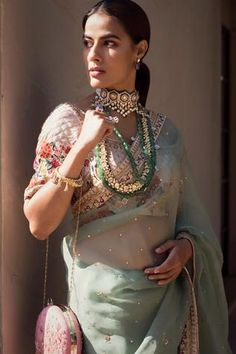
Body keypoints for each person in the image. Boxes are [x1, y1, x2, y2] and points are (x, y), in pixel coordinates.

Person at [23, 0, 232, 353]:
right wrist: (82, 147)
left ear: (140, 50)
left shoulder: (166, 134)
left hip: (166, 313)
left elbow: (192, 222)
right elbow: (39, 224)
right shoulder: (67, 123)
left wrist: (186, 249)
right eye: (88, 43)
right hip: (96, 319)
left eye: (109, 42)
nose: (94, 55)